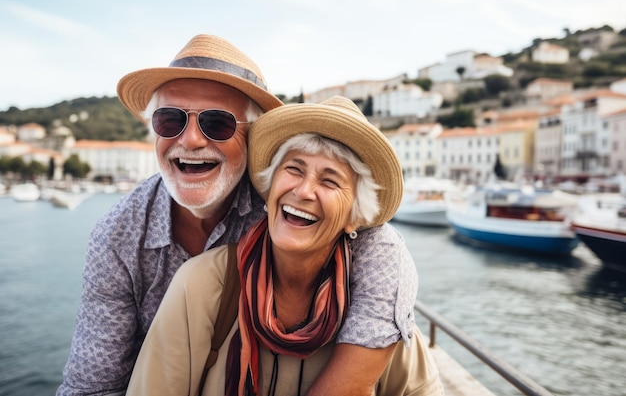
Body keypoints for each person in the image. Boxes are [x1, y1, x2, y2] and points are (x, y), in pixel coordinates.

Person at [58, 35, 419, 395]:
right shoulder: (118, 234)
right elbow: (91, 386)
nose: (192, 140)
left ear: (251, 136)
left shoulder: (282, 200)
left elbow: (380, 247)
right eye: (170, 120)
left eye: (217, 123)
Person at [127, 96, 442, 395]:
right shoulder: (200, 285)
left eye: (330, 181)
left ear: (354, 218)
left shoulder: (379, 318)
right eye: (293, 169)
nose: (304, 191)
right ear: (269, 186)